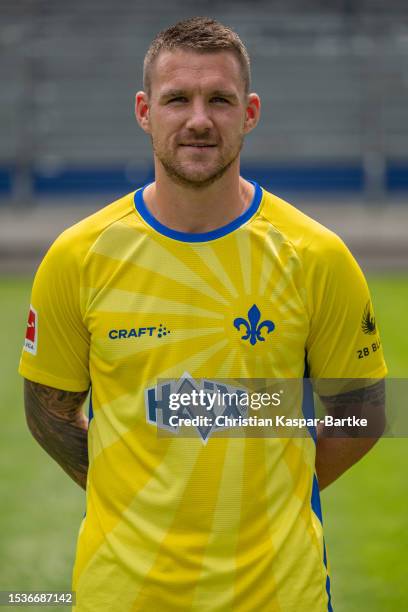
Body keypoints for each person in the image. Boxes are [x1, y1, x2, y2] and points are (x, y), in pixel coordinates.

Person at [19, 16, 387, 612]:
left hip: (277, 594)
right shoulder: (77, 257)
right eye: (177, 99)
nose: (198, 119)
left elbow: (363, 412)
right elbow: (48, 414)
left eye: (220, 99)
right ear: (144, 111)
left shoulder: (317, 255)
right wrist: (136, 494)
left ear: (250, 112)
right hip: (123, 595)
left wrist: (272, 491)